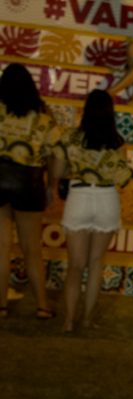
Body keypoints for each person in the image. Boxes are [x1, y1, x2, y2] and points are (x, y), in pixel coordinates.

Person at [57, 90, 131, 333]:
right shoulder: (117, 142)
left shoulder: (71, 138)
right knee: (96, 262)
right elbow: (124, 178)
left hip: (78, 196)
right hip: (107, 198)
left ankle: (68, 321)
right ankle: (87, 319)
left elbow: (58, 171)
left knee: (75, 265)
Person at [0, 63, 63, 319]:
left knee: (1, 247)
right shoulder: (43, 118)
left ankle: (1, 305)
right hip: (29, 182)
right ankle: (42, 306)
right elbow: (58, 153)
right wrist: (52, 185)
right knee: (32, 249)